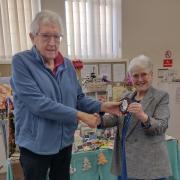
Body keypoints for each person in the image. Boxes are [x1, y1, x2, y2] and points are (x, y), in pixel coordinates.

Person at [10, 10, 120, 180]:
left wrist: (103, 106)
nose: (52, 43)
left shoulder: (67, 65)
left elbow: (78, 98)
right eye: (46, 36)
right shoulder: (21, 62)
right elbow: (39, 104)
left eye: (57, 36)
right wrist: (80, 115)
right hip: (35, 147)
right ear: (32, 37)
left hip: (64, 144)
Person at [99, 54, 172, 180]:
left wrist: (144, 117)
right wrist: (99, 112)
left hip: (149, 164)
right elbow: (115, 118)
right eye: (135, 75)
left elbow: (162, 126)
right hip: (126, 159)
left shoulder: (161, 97)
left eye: (143, 74)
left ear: (151, 75)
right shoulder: (126, 96)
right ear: (131, 78)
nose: (140, 79)